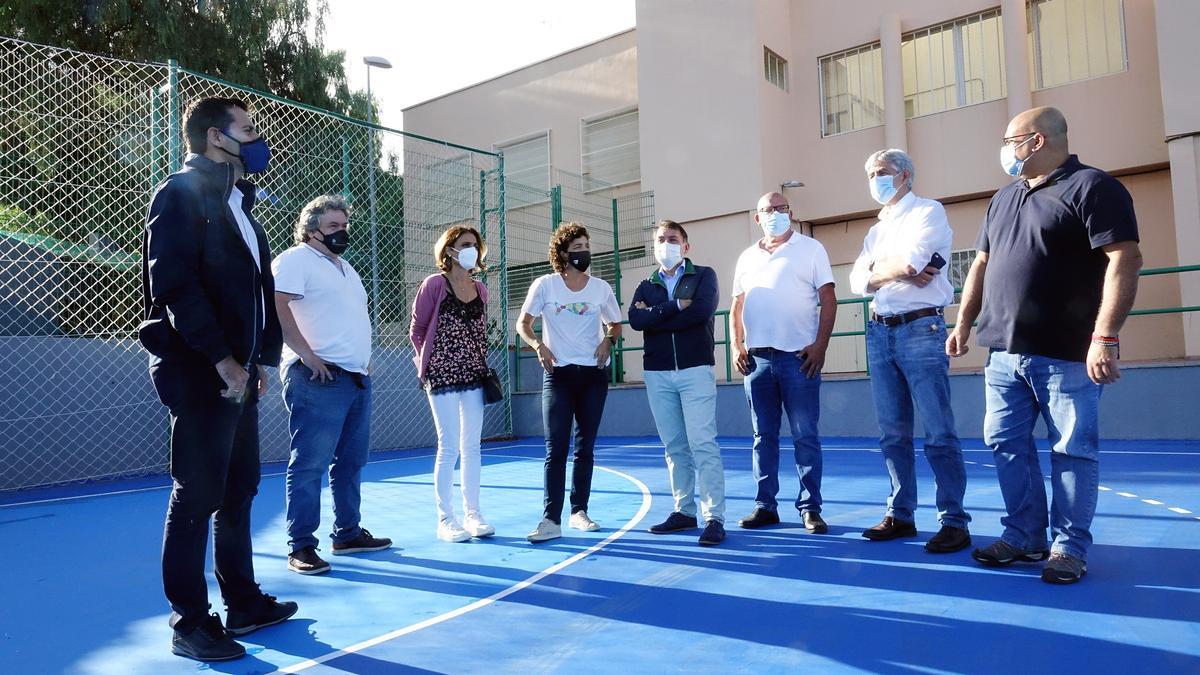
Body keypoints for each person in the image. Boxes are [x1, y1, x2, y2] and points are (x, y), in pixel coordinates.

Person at [947, 106, 1142, 584]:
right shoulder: (1003, 198)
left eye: (1010, 140)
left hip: (1067, 354)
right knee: (1005, 444)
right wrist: (964, 322)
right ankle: (1024, 537)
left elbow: (1125, 258)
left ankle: (1068, 548)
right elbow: (980, 265)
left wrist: (1105, 336)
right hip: (1003, 354)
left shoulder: (1093, 187)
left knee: (1073, 450)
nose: (1005, 150)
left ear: (1035, 141)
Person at [139, 97, 296, 662]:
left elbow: (256, 293)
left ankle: (243, 603)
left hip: (239, 371)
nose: (258, 140)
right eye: (248, 130)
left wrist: (258, 361)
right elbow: (175, 288)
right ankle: (189, 623)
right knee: (197, 493)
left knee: (240, 487)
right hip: (202, 370)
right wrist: (221, 360)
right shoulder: (178, 195)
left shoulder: (239, 203)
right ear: (214, 138)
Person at [849, 149, 971, 553]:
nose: (875, 180)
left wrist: (880, 274)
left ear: (904, 175)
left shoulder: (927, 212)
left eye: (881, 172)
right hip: (880, 332)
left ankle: (953, 520)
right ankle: (901, 513)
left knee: (938, 431)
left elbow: (913, 263)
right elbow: (855, 282)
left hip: (921, 326)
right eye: (870, 174)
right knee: (892, 434)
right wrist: (893, 271)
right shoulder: (875, 230)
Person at [273, 195, 392, 575]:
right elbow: (277, 306)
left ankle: (348, 533)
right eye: (333, 227)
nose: (342, 232)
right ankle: (302, 546)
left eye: (344, 225)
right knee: (309, 463)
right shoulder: (295, 260)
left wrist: (363, 360)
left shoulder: (347, 269)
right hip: (317, 377)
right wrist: (306, 355)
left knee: (351, 461)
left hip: (355, 377)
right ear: (311, 230)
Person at [731, 192, 836, 533]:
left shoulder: (811, 249)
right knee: (764, 437)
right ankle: (765, 506)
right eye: (767, 210)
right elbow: (737, 305)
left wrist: (820, 346)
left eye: (781, 208)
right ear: (756, 218)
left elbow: (828, 297)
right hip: (758, 361)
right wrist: (736, 346)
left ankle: (810, 508)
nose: (775, 213)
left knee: (806, 435)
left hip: (798, 359)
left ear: (790, 212)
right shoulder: (746, 257)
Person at [517, 222, 622, 543]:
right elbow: (524, 323)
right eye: (576, 248)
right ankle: (551, 519)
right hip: (558, 376)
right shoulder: (545, 285)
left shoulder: (601, 288)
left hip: (593, 377)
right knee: (556, 448)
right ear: (562, 253)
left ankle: (579, 512)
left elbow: (615, 323)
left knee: (585, 447)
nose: (583, 253)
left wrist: (608, 341)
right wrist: (538, 345)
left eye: (586, 246)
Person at [629, 220, 727, 546]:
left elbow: (700, 313)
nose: (666, 244)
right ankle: (684, 511)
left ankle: (714, 517)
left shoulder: (704, 276)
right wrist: (672, 307)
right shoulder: (646, 284)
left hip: (695, 369)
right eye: (661, 239)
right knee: (674, 446)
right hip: (657, 373)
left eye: (673, 239)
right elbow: (635, 320)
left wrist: (655, 316)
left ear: (686, 246)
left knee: (703, 442)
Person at [410, 224, 496, 542]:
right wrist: (426, 364)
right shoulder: (434, 284)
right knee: (448, 447)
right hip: (441, 375)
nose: (472, 248)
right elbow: (417, 329)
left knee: (472, 446)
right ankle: (446, 518)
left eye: (475, 243)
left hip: (474, 373)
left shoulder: (481, 289)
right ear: (449, 250)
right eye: (465, 244)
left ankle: (473, 513)